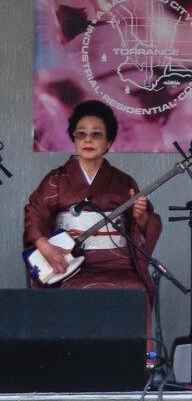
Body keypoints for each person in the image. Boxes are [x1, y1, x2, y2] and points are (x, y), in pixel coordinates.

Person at [24, 99, 161, 294]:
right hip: (67, 262)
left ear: (109, 142)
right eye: (81, 134)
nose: (87, 140)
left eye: (96, 134)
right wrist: (46, 247)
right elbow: (35, 213)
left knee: (133, 289)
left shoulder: (123, 182)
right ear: (74, 139)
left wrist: (141, 218)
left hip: (116, 263)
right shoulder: (56, 180)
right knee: (70, 291)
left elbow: (142, 227)